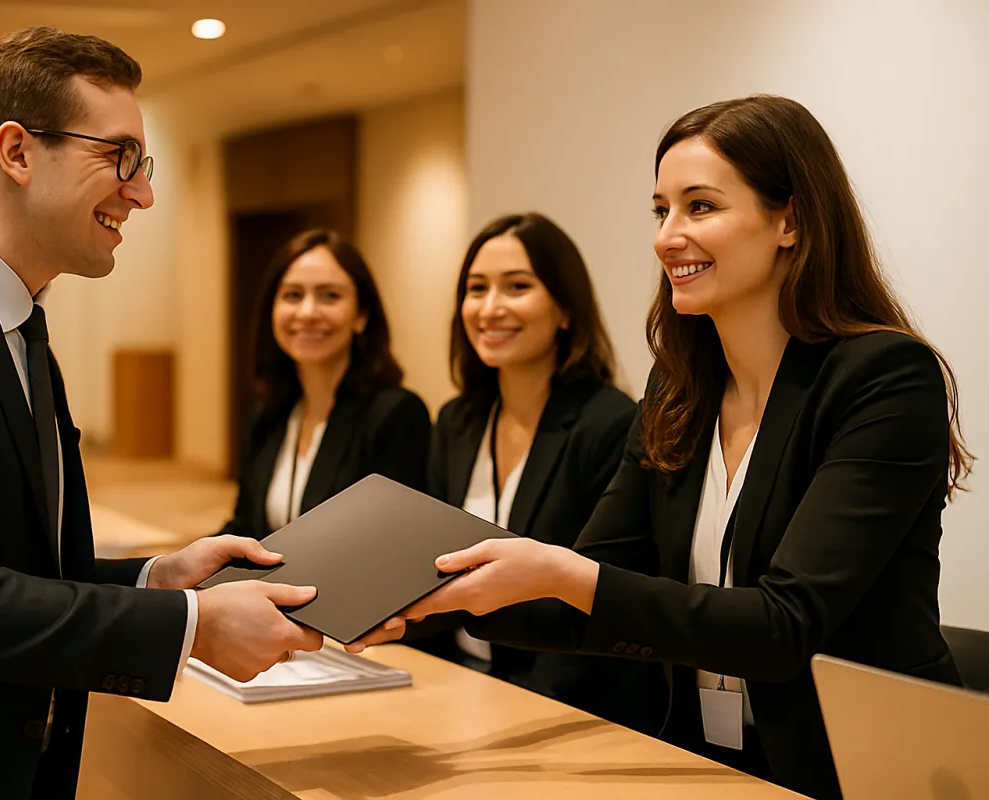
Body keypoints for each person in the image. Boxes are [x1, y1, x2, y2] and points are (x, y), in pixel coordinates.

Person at [350, 95, 971, 800]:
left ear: (789, 220)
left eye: (700, 207)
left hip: (862, 773)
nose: (668, 236)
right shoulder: (677, 393)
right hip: (706, 764)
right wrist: (419, 598)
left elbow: (783, 626)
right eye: (660, 210)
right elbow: (594, 596)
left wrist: (562, 572)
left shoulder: (882, 377)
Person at [0, 28, 322, 799]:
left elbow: (10, 564)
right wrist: (193, 626)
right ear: (16, 153)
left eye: (144, 166)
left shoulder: (18, 325)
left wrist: (155, 579)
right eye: (121, 159)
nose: (141, 193)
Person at [412, 212, 664, 733]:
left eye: (518, 287)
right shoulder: (457, 420)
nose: (490, 308)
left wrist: (515, 714)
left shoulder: (609, 420)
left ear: (566, 308)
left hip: (563, 706)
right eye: (476, 288)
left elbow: (598, 598)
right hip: (454, 686)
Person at [217, 229, 430, 540]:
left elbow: (398, 543)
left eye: (329, 296)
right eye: (292, 295)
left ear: (362, 316)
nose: (307, 312)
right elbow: (247, 527)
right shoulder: (268, 414)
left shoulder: (394, 415)